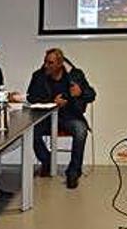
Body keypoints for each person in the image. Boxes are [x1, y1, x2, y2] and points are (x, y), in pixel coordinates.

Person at [27, 48, 96, 189]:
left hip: (69, 116)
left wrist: (80, 92)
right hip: (45, 117)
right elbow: (31, 97)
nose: (46, 65)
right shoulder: (38, 76)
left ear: (60, 64)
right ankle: (47, 161)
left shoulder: (75, 75)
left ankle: (73, 172)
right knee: (31, 131)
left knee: (81, 131)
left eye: (50, 63)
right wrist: (52, 101)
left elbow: (91, 95)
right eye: (45, 62)